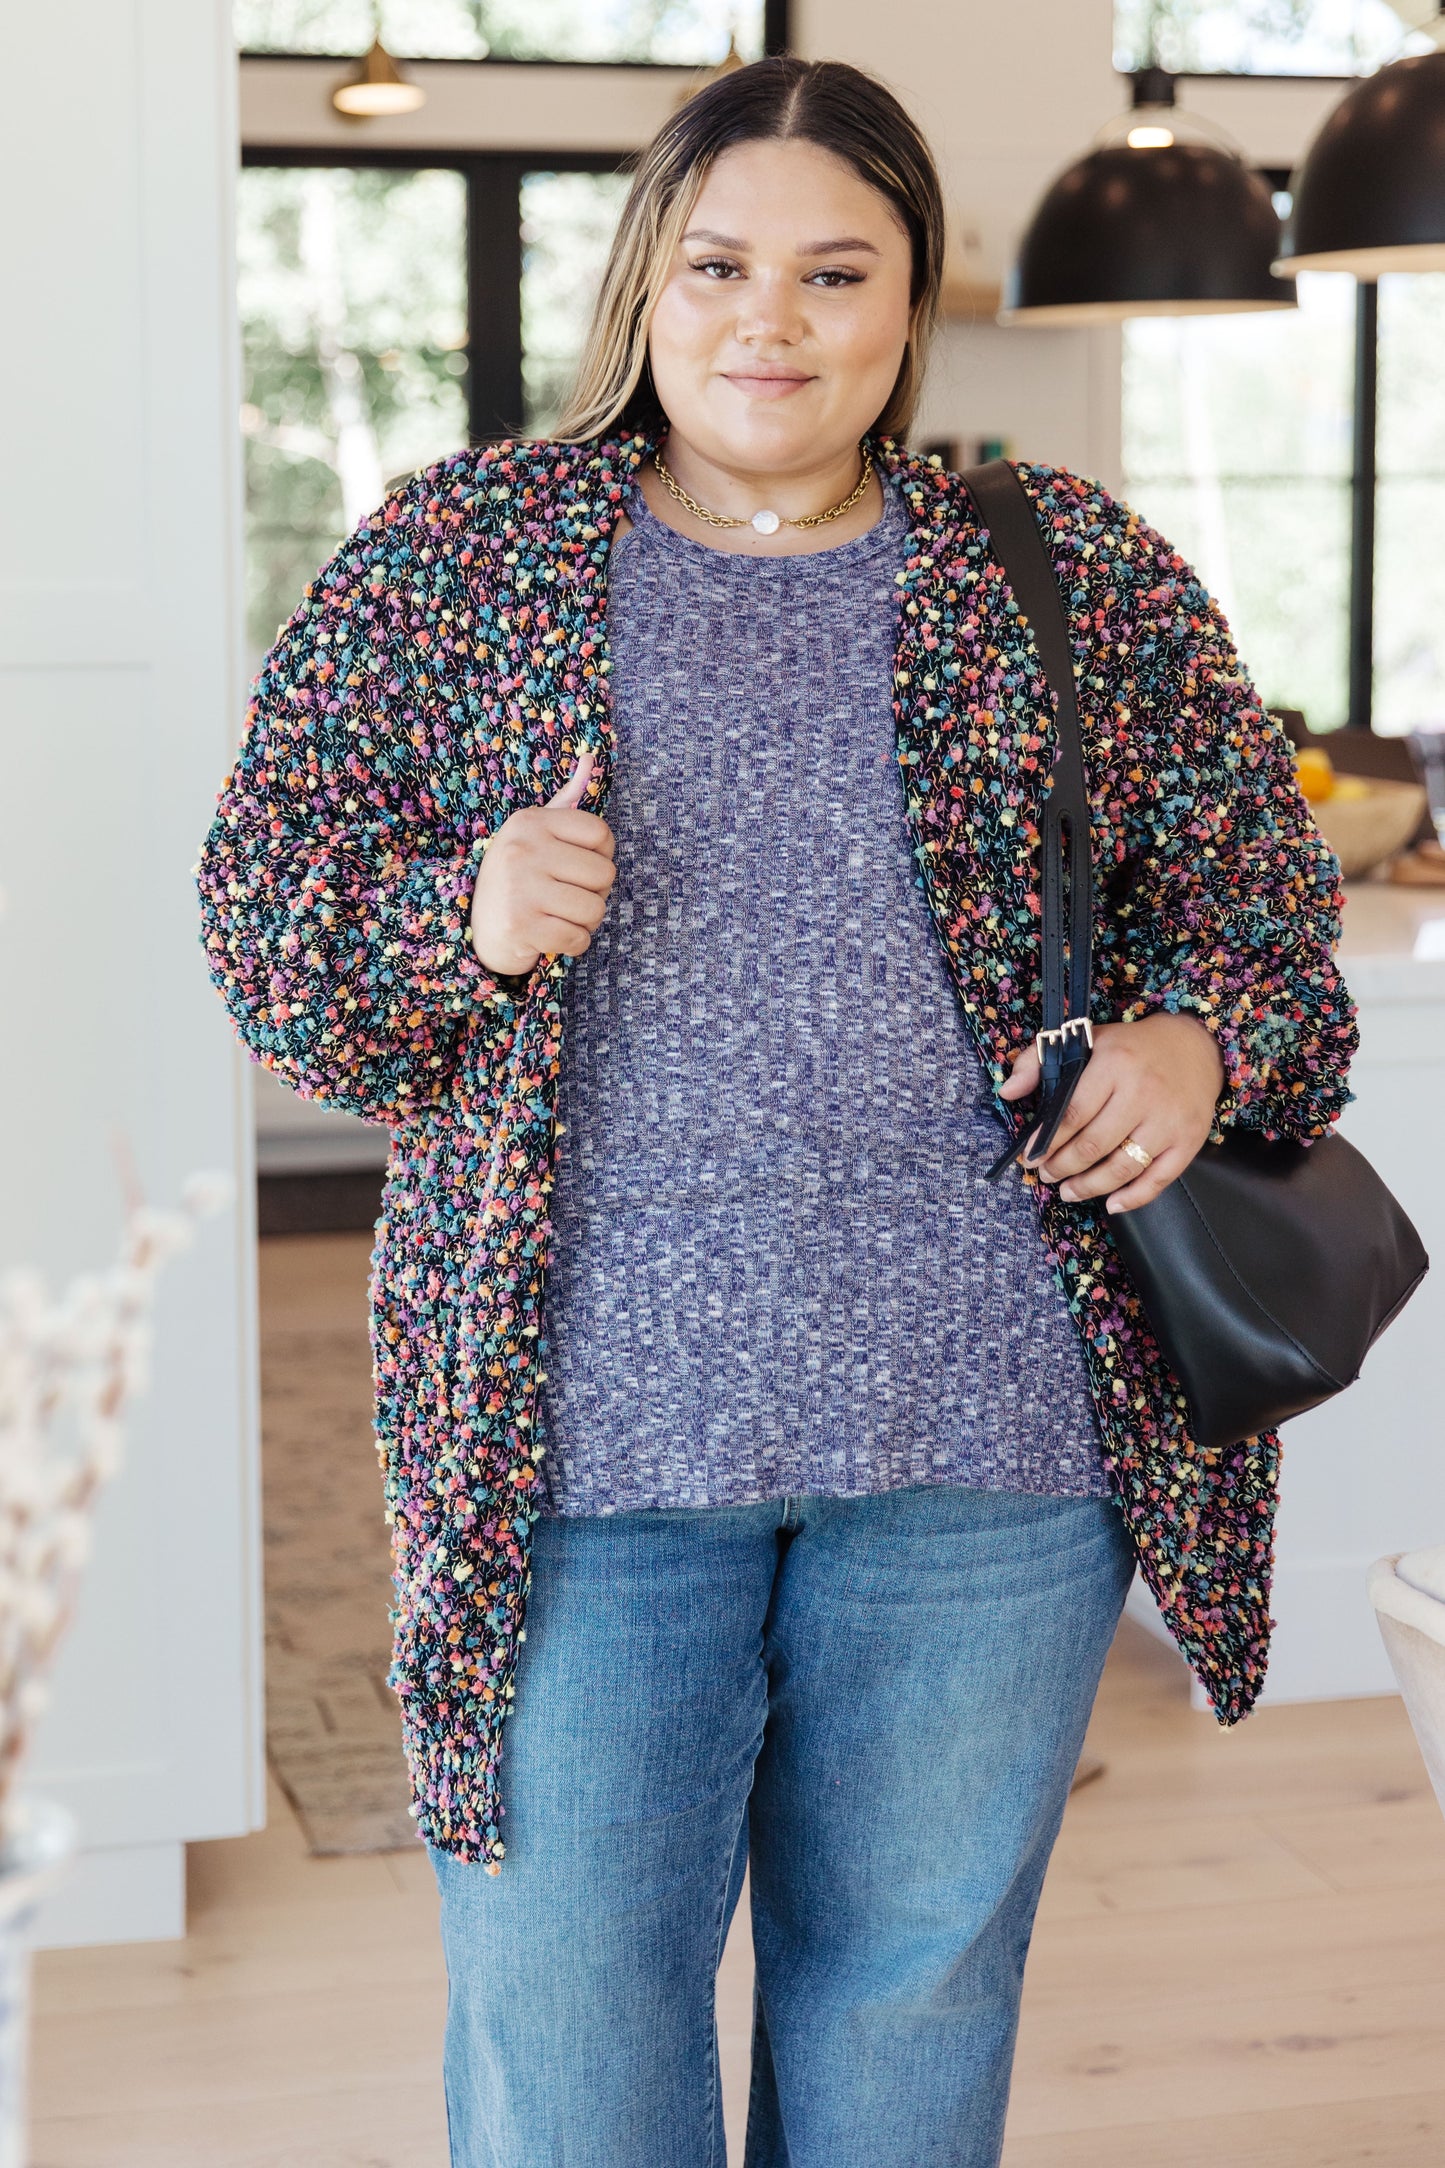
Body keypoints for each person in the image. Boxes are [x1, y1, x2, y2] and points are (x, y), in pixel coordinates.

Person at [196, 55, 1358, 2168]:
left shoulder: (1067, 573)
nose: (772, 322)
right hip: (579, 1444)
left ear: (908, 302)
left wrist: (1197, 1042)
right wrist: (464, 917)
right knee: (572, 2046)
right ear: (646, 281)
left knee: (910, 2015)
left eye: (837, 273)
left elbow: (1258, 911)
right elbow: (267, 916)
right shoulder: (464, 557)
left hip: (990, 1441)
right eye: (721, 266)